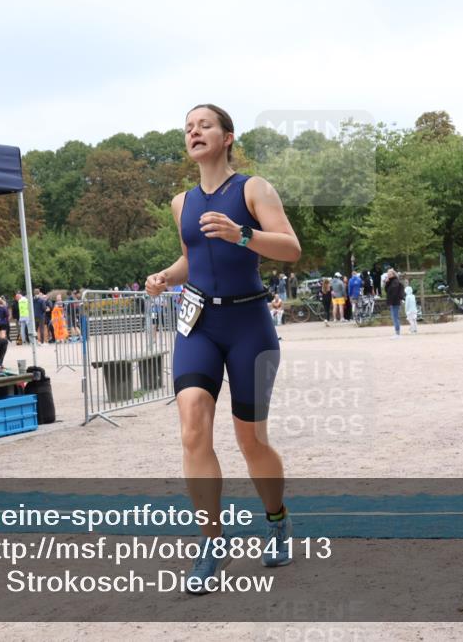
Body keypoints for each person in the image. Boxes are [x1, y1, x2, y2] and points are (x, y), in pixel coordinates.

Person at [144, 104, 301, 594]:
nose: (194, 132)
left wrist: (244, 234)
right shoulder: (180, 202)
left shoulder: (253, 189)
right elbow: (193, 258)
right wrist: (165, 277)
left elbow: (291, 248)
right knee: (192, 425)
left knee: (250, 440)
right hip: (199, 325)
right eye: (188, 127)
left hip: (249, 323)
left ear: (227, 136)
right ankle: (212, 543)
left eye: (204, 125)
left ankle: (276, 521)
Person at [385, 268, 405, 337]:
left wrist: (392, 301)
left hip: (395, 302)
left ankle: (398, 333)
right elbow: (386, 290)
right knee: (394, 317)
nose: (388, 275)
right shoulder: (391, 281)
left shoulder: (395, 281)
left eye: (390, 274)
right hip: (392, 302)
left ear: (393, 274)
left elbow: (394, 292)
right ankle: (397, 332)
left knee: (395, 317)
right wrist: (387, 282)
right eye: (388, 274)